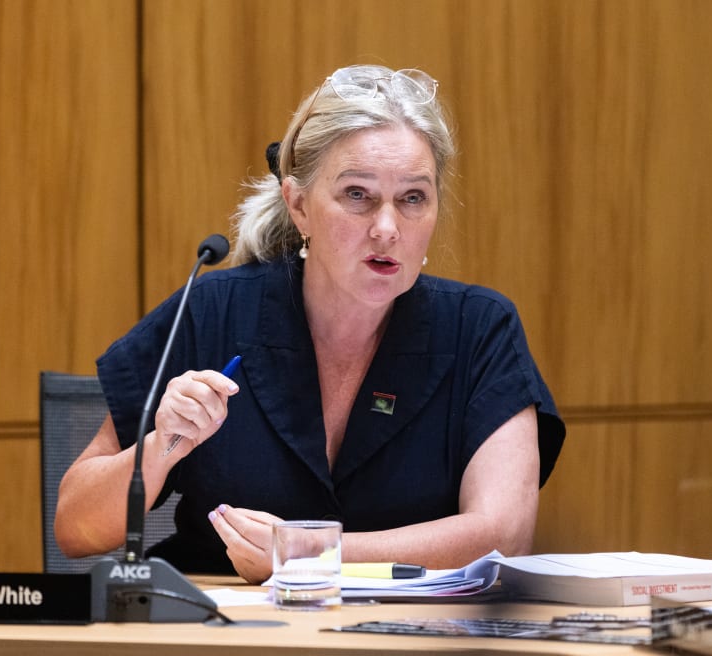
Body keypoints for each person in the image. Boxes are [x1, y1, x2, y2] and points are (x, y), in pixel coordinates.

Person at [55, 64, 566, 582]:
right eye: (357, 195)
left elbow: (505, 535)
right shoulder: (211, 312)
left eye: (413, 198)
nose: (387, 228)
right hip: (232, 633)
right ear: (298, 205)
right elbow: (75, 529)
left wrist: (311, 554)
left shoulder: (479, 329)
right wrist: (161, 445)